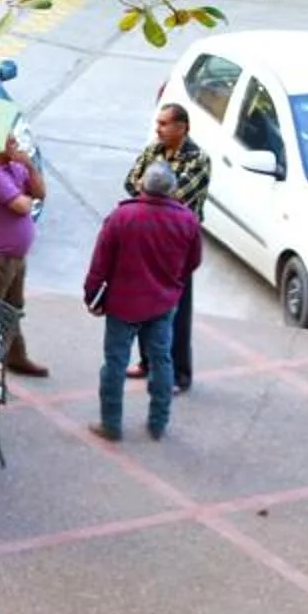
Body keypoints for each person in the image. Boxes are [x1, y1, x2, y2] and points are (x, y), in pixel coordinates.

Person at [83, 162, 201, 443]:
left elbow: (99, 264)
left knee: (114, 363)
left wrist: (92, 295)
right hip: (162, 303)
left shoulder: (122, 217)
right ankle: (158, 423)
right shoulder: (187, 220)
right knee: (162, 361)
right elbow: (193, 261)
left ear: (142, 186)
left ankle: (111, 424)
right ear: (172, 189)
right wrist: (172, 283)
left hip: (122, 305)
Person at [122, 103, 209, 392]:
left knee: (177, 311)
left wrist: (150, 191)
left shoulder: (198, 159)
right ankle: (148, 362)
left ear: (182, 127)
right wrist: (154, 191)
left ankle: (178, 375)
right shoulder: (152, 151)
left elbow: (177, 196)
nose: (158, 129)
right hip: (148, 240)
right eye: (157, 123)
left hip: (176, 246)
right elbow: (130, 182)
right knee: (146, 302)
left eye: (164, 124)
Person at [0, 126, 49, 377]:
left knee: (12, 308)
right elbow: (22, 205)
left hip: (14, 256)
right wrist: (26, 193)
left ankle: (15, 356)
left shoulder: (13, 167)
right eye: (9, 139)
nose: (15, 142)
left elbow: (40, 193)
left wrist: (30, 167)